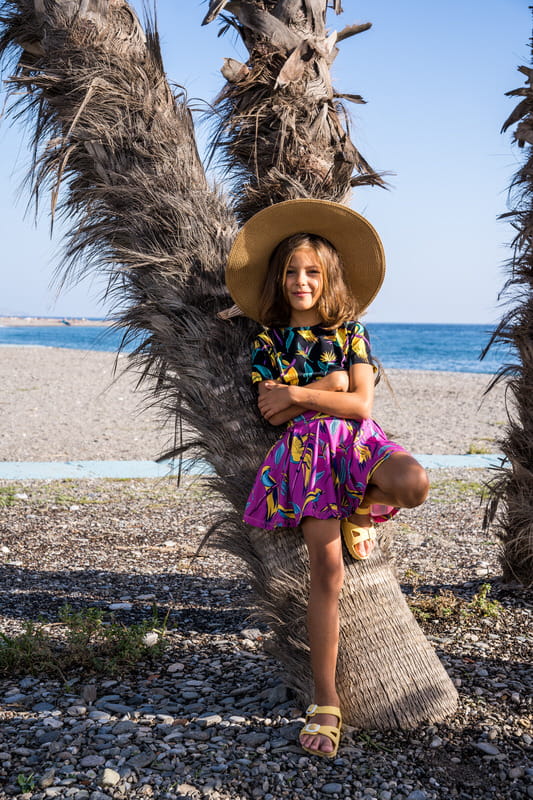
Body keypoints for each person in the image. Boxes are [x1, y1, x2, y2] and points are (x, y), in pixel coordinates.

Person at [225, 199, 429, 758]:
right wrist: (329, 386)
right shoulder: (268, 342)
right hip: (308, 459)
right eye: (292, 271)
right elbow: (272, 412)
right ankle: (326, 700)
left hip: (359, 445)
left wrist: (301, 392)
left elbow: (362, 405)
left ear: (328, 276)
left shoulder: (351, 332)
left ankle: (359, 505)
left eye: (312, 271)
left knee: (414, 484)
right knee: (328, 573)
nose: (301, 281)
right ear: (279, 278)